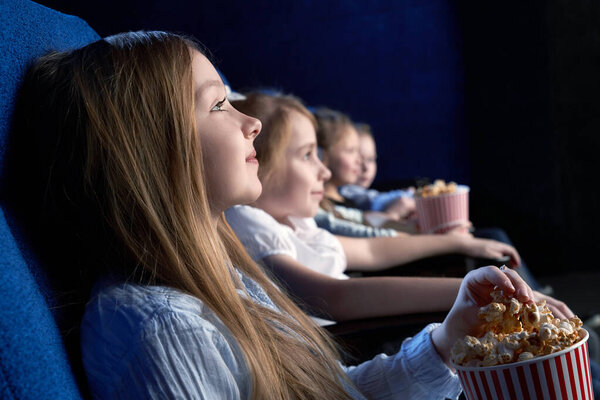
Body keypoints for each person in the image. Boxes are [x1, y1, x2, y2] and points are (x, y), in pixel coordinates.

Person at [10, 30, 564, 400]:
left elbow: (333, 392)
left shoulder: (226, 281)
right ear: (151, 150)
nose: (251, 122)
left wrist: (446, 342)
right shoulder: (160, 331)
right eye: (219, 104)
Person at [226, 92, 566, 326]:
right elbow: (334, 298)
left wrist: (459, 242)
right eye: (307, 155)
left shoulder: (295, 222)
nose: (324, 171)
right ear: (258, 162)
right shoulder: (248, 221)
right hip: (357, 348)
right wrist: (476, 290)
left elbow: (374, 249)